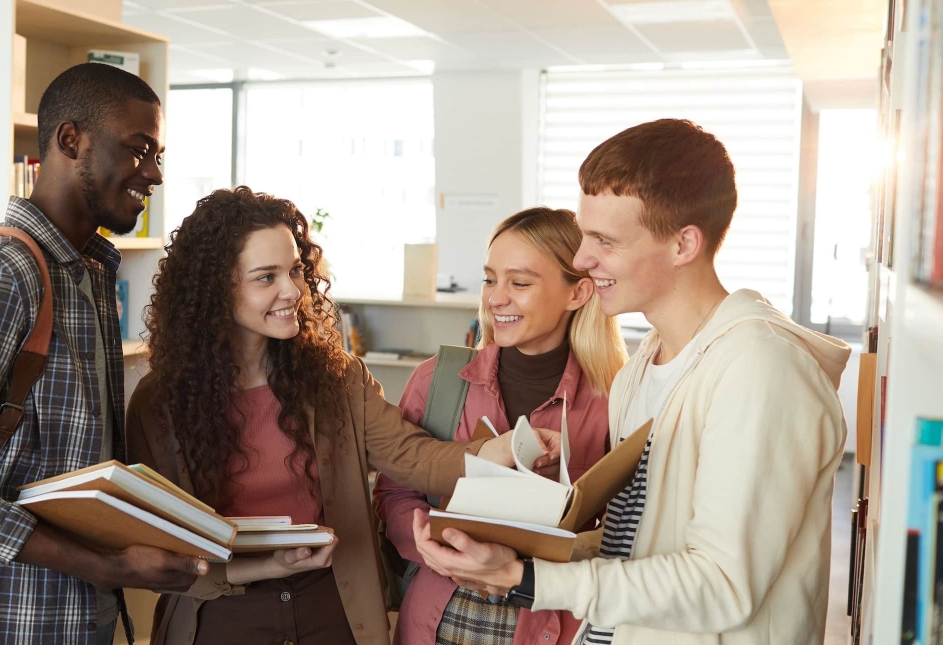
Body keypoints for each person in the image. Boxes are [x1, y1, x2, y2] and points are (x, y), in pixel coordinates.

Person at [412, 118, 851, 645]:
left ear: (684, 244)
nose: (581, 259)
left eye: (605, 241)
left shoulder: (760, 370)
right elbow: (634, 548)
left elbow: (721, 584)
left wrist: (525, 579)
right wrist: (512, 559)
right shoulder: (642, 370)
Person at [0, 63, 207, 645]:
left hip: (81, 620)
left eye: (158, 156)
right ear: (69, 140)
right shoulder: (3, 274)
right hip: (3, 623)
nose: (154, 173)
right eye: (139, 151)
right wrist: (105, 566)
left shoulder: (90, 273)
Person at [125, 186, 516, 645]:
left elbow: (414, 456)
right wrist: (269, 566)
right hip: (220, 616)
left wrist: (502, 450)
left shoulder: (336, 378)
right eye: (265, 277)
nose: (293, 290)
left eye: (294, 270)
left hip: (333, 610)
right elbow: (161, 548)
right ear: (214, 289)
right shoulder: (160, 403)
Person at [375, 207, 627, 645]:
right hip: (436, 620)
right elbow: (396, 492)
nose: (495, 298)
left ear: (578, 292)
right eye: (490, 279)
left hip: (550, 622)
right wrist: (439, 553)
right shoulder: (437, 380)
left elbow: (623, 531)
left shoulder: (616, 398)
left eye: (520, 283)